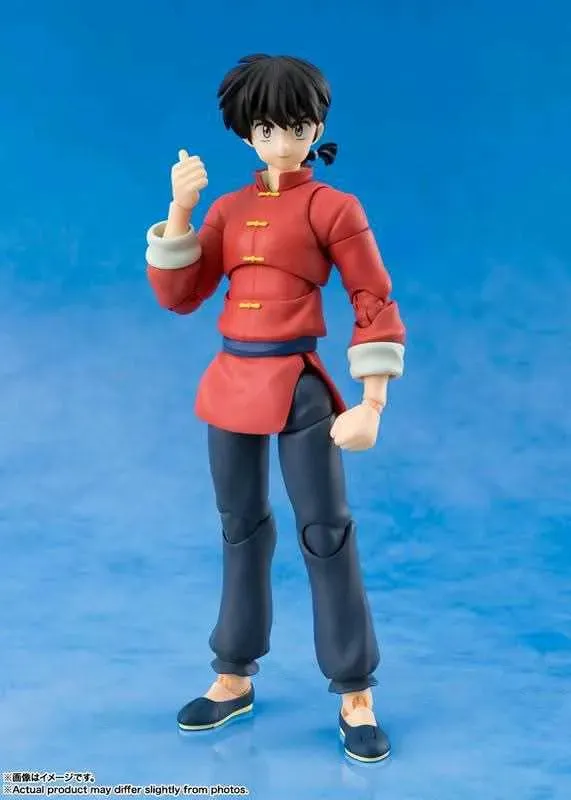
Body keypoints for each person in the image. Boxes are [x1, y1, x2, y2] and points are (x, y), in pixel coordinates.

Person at [145, 54, 406, 763]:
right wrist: (180, 212)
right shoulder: (228, 210)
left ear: (316, 127)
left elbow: (372, 298)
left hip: (298, 386)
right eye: (266, 129)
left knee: (325, 531)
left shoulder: (333, 208)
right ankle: (233, 671)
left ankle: (355, 689)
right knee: (239, 528)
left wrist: (372, 401)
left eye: (296, 127)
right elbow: (179, 296)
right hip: (232, 378)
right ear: (245, 134)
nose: (282, 142)